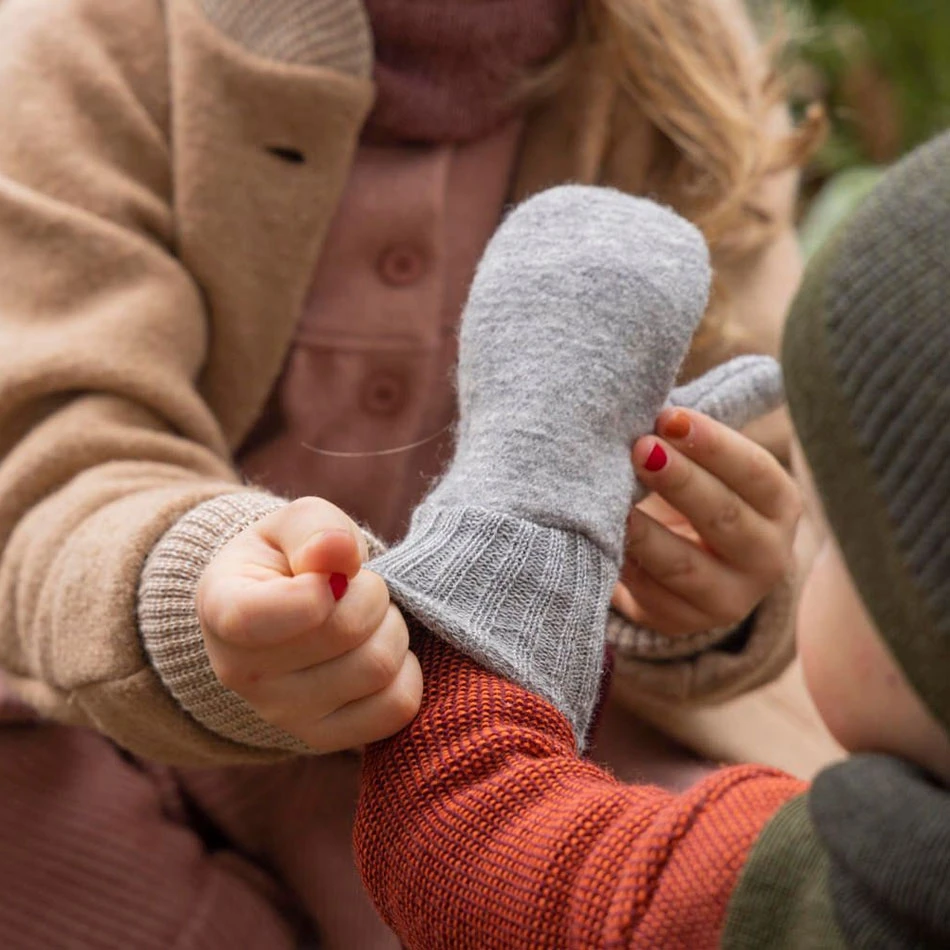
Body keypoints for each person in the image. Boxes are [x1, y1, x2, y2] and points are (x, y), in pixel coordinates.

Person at [0, 0, 820, 946]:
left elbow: (769, 465)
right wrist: (197, 593)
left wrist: (707, 594)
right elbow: (50, 450)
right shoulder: (94, 41)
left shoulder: (686, 70)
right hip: (92, 737)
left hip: (544, 738)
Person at [354, 133, 950, 947]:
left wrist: (522, 518)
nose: (810, 560)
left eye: (837, 534)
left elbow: (461, 838)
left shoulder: (848, 899)